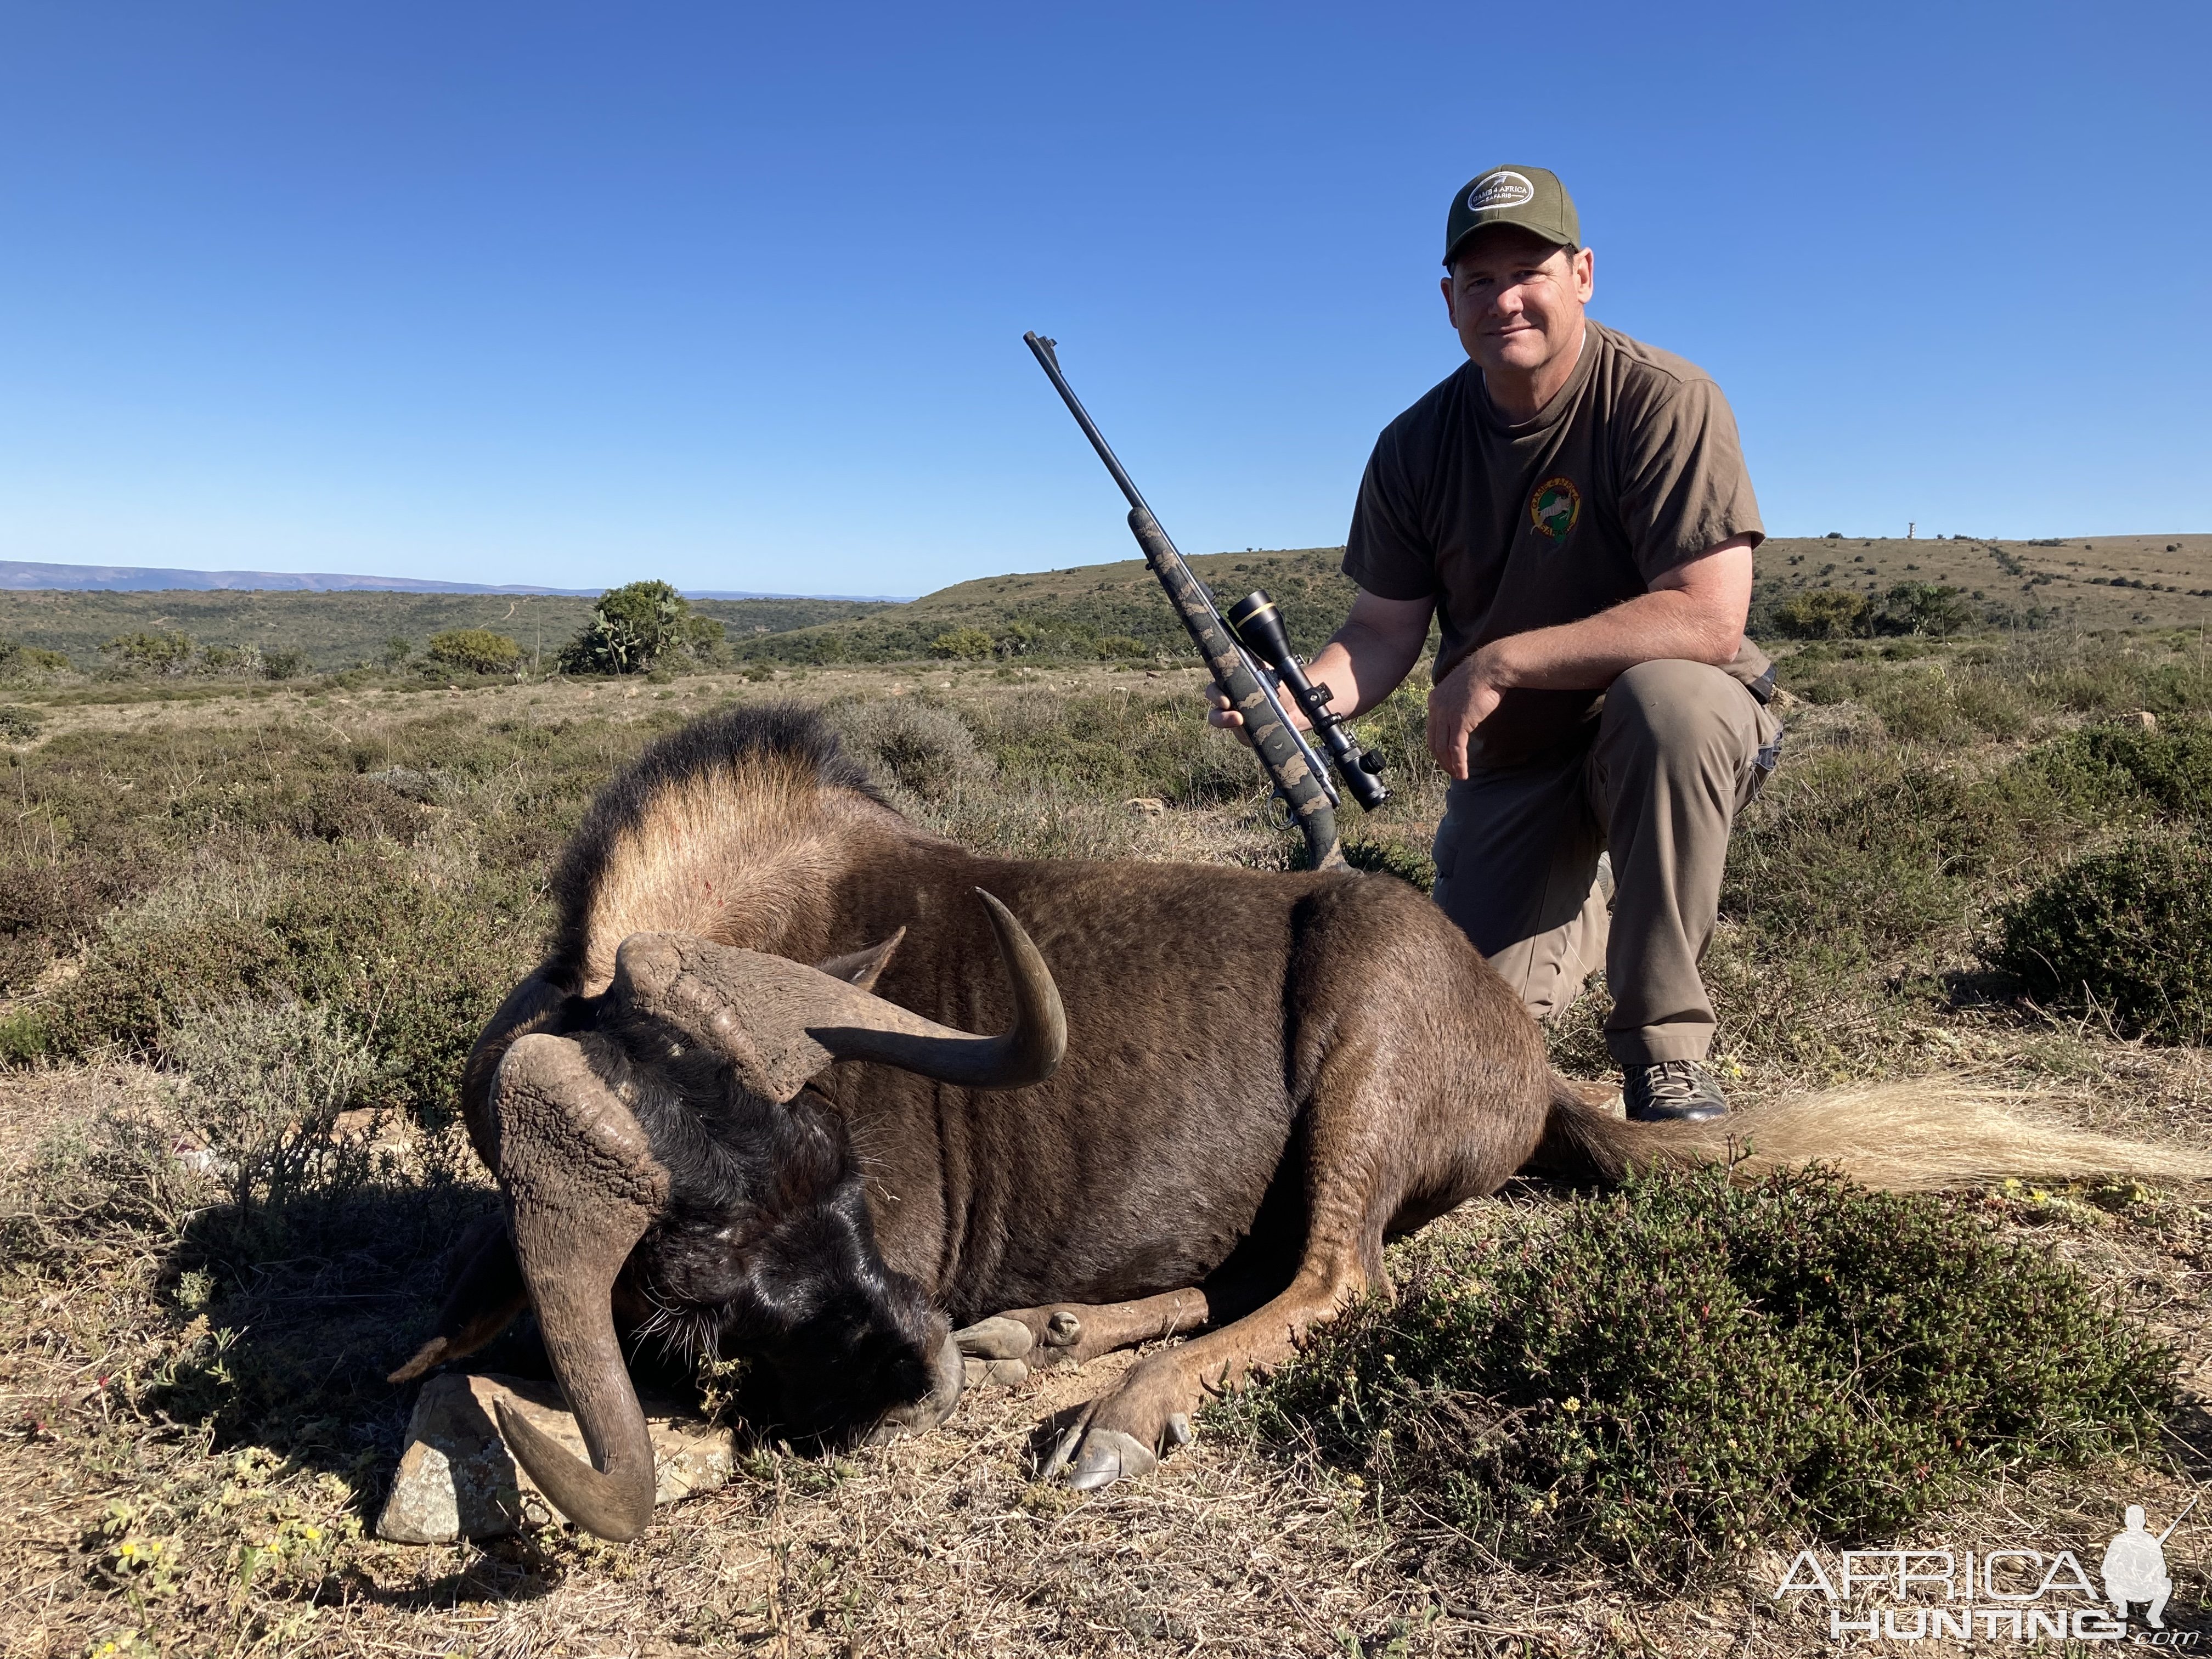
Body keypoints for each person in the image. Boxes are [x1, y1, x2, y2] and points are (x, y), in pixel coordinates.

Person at [1211, 164, 1781, 1122]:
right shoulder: (1413, 446)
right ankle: (1590, 889)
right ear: (1449, 302)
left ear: (1584, 274)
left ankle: (1665, 1051)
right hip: (1514, 759)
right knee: (1464, 1051)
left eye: (1530, 270)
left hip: (1661, 725)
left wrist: (1500, 660)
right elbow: (1381, 630)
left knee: (1666, 708)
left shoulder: (1667, 399)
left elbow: (1706, 618)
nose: (1505, 298)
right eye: (1478, 281)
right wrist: (1307, 701)